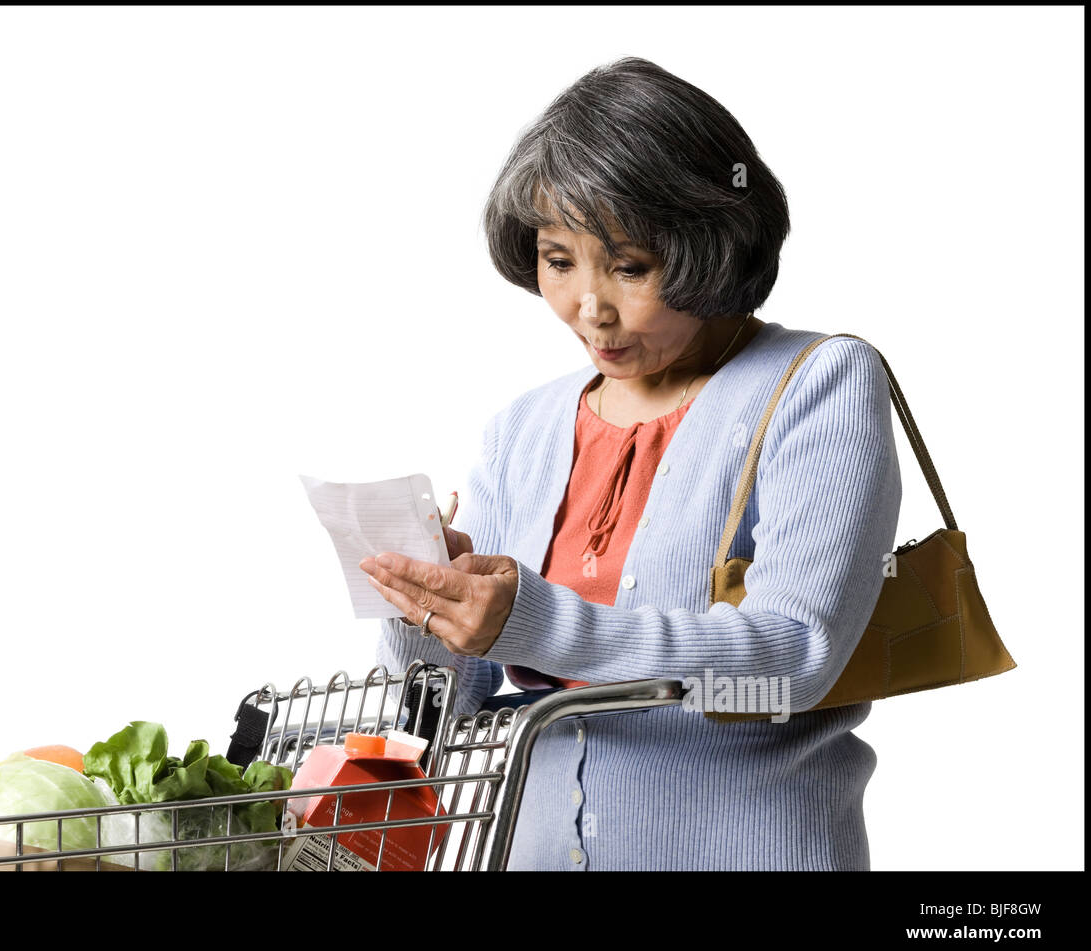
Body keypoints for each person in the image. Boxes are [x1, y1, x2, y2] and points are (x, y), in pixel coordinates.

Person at [358, 57, 901, 871]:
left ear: (710, 244)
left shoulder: (816, 385)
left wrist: (535, 622)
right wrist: (427, 606)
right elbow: (450, 708)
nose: (590, 307)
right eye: (557, 258)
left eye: (631, 266)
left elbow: (792, 665)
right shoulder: (526, 428)